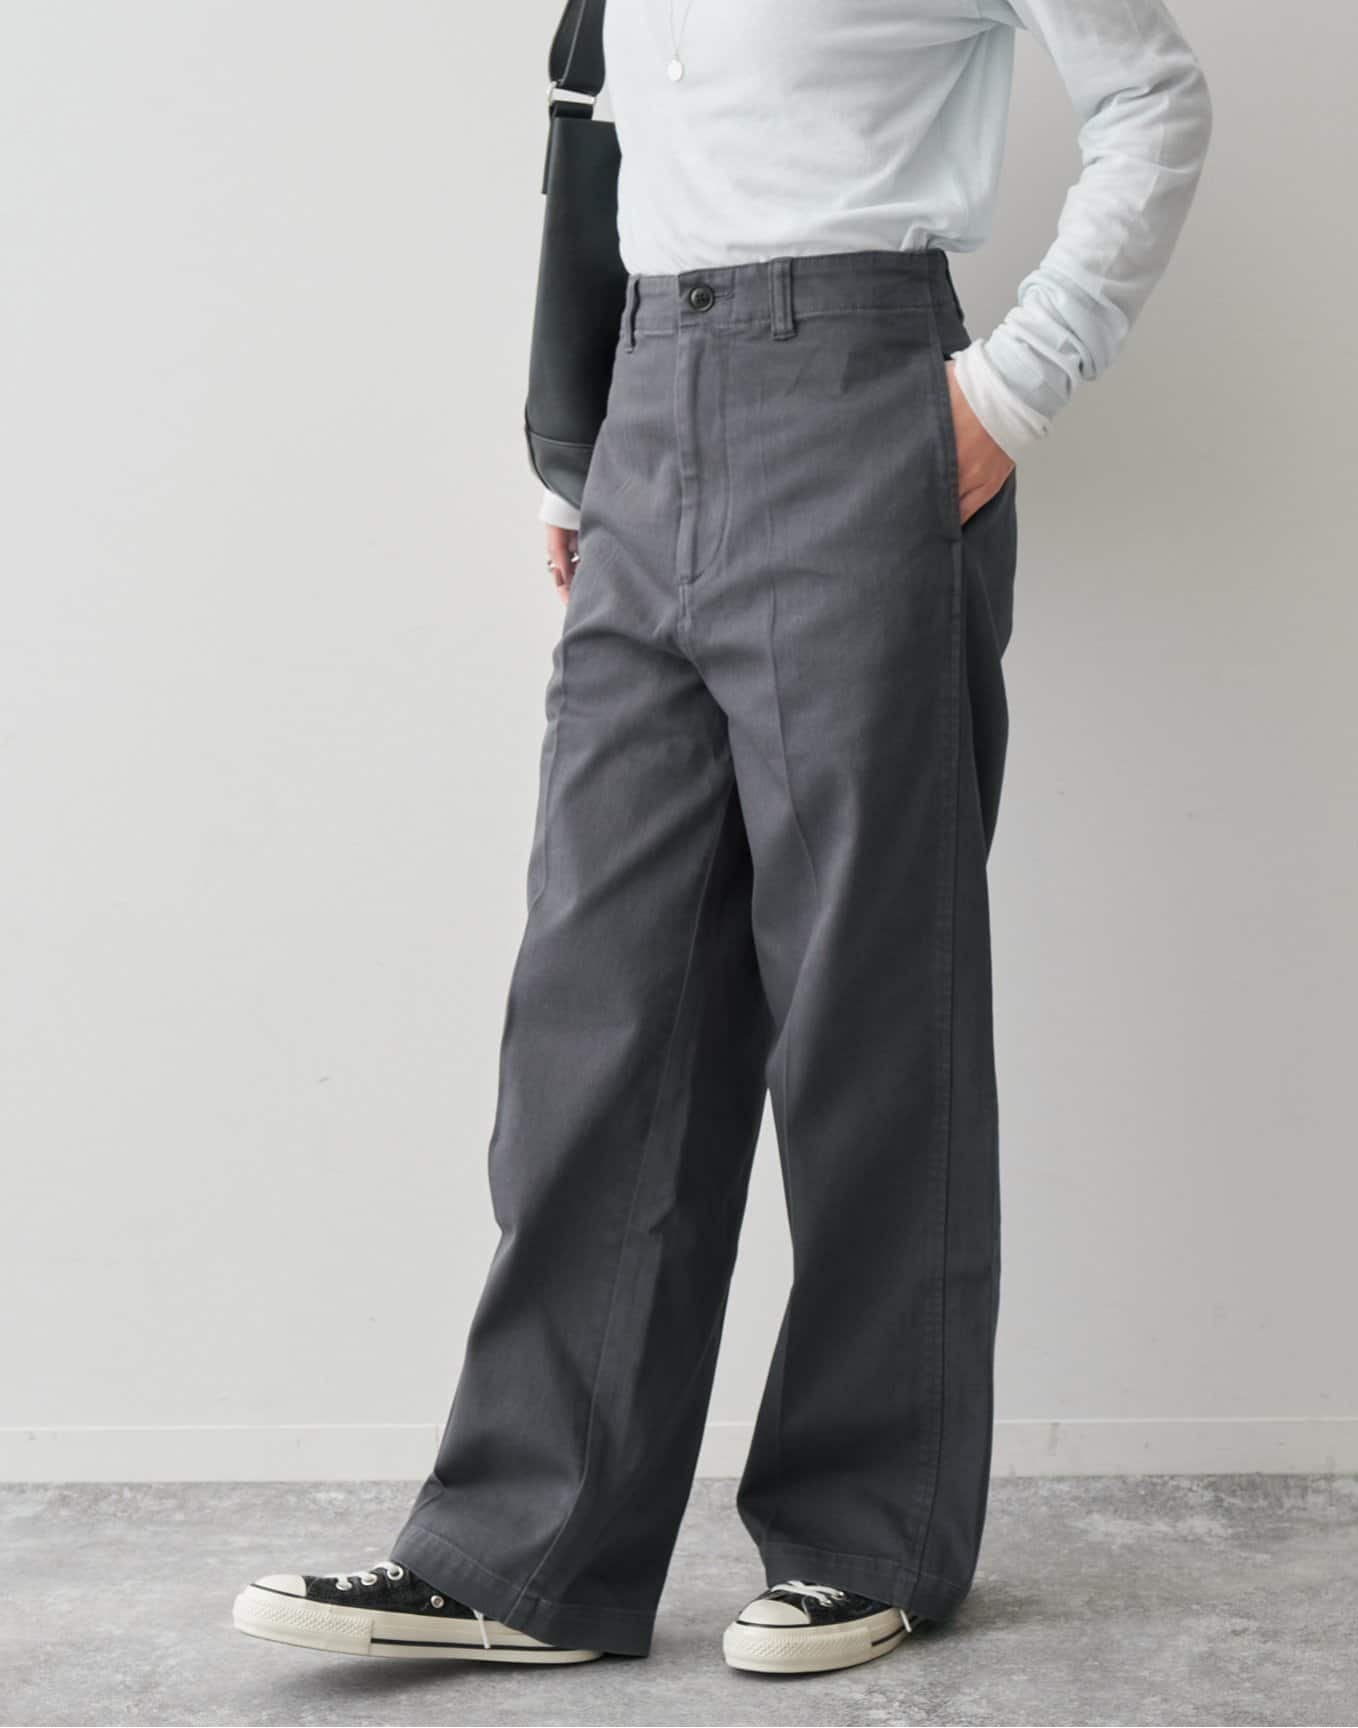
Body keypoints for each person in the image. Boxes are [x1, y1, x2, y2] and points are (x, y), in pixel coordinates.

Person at [233, 0, 1210, 1677]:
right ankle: (529, 1551)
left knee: (863, 1002)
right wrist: (581, 466)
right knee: (595, 1003)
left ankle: (870, 1536)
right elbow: (614, 152)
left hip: (863, 396)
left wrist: (1009, 392)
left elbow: (1156, 102)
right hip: (646, 413)